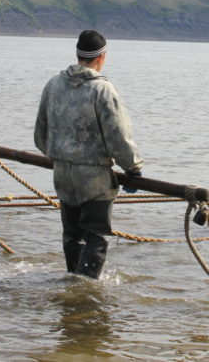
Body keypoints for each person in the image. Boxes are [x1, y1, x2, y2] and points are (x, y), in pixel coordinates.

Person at [34, 29, 143, 279]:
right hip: (93, 178)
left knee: (72, 235)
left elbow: (40, 133)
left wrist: (59, 156)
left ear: (77, 54)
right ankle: (84, 288)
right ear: (101, 57)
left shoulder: (53, 85)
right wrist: (133, 167)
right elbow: (119, 136)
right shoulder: (103, 90)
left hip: (62, 174)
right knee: (96, 235)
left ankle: (73, 281)